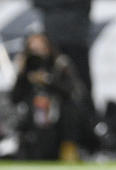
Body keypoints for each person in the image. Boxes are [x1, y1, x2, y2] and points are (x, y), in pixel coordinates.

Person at [11, 32, 90, 161]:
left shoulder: (60, 63)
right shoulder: (26, 67)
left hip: (59, 111)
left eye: (41, 49)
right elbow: (15, 97)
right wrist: (23, 75)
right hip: (33, 113)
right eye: (33, 50)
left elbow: (74, 91)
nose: (38, 54)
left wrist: (49, 80)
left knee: (70, 111)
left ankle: (68, 149)